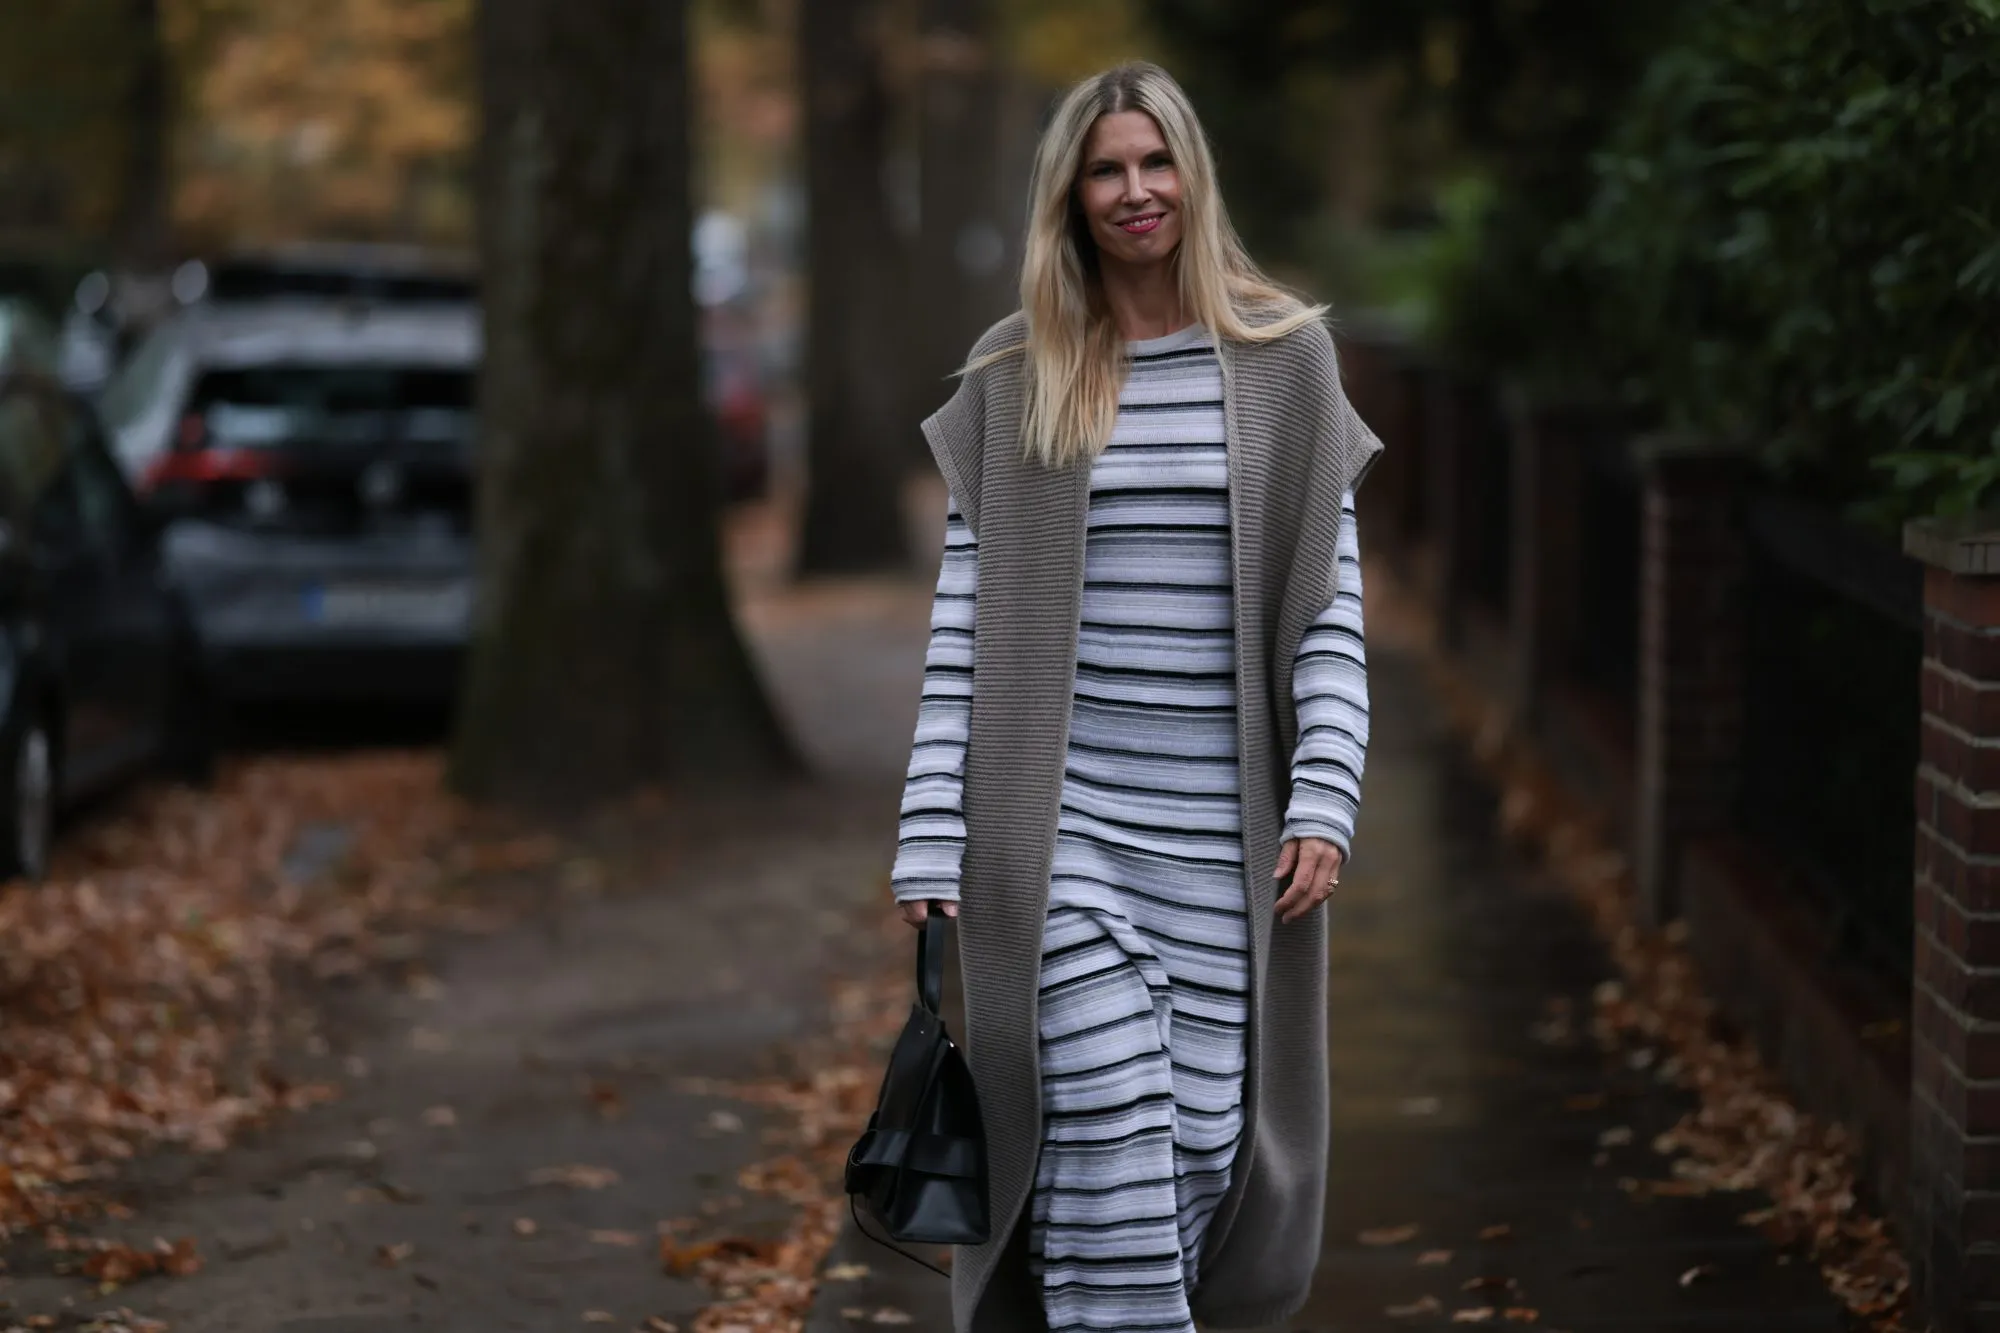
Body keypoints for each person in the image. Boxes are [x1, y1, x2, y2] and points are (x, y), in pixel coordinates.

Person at [890, 60, 1381, 1333]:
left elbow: (1327, 614)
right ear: (1071, 194)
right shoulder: (1020, 372)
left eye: (1153, 163)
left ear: (1191, 176)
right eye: (1105, 169)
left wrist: (1324, 791)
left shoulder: (1282, 361)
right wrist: (930, 829)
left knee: (1193, 1164)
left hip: (1223, 855)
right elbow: (963, 624)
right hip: (1061, 840)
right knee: (1104, 1116)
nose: (1133, 191)